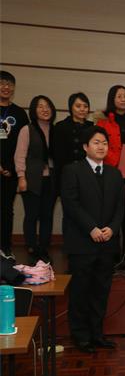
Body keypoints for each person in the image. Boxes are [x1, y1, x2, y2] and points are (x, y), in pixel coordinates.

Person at [61, 126, 124, 353]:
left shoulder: (115, 174)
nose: (101, 147)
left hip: (107, 243)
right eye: (96, 142)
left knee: (101, 291)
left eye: (104, 143)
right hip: (82, 242)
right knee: (80, 291)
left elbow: (120, 207)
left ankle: (97, 334)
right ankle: (81, 336)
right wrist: (91, 228)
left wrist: (112, 229)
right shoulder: (72, 170)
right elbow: (71, 204)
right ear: (85, 146)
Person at [14, 95, 57, 263]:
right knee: (31, 215)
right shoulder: (27, 129)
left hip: (50, 180)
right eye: (40, 106)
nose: (45, 109)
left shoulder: (55, 130)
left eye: (47, 106)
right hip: (31, 179)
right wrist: (21, 177)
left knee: (47, 216)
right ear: (33, 110)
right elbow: (20, 155)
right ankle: (32, 248)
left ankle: (44, 248)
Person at [0, 71, 29, 259]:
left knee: (6, 211)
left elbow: (23, 145)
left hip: (9, 172)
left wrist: (13, 169)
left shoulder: (19, 113)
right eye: (2, 83)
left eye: (10, 84)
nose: (6, 87)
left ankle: (5, 247)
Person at [53, 92, 93, 190]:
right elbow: (57, 155)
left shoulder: (92, 127)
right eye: (78, 106)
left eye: (85, 106)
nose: (82, 109)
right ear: (71, 107)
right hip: (67, 175)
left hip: (88, 174)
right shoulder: (60, 126)